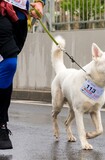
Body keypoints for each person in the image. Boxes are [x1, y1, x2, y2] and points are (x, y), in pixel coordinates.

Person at [0, 0, 45, 149]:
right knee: (9, 63)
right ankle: (1, 125)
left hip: (19, 16)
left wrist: (39, 3)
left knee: (6, 68)